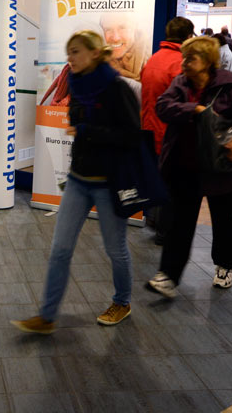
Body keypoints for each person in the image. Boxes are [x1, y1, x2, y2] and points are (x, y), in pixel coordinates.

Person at [11, 30, 140, 332]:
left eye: (76, 51)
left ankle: (122, 302)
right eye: (69, 52)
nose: (70, 58)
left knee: (115, 249)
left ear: (94, 53)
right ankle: (47, 316)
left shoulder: (117, 88)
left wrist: (86, 131)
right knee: (60, 249)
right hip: (79, 180)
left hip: (109, 183)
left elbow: (131, 135)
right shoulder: (77, 83)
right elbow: (77, 122)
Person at [146, 36, 232, 298]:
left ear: (207, 62)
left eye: (190, 58)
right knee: (180, 222)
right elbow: (163, 107)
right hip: (185, 168)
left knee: (223, 220)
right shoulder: (181, 83)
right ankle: (168, 275)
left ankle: (225, 266)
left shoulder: (230, 86)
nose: (184, 63)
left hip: (221, 169)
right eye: (184, 57)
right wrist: (194, 109)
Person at [140, 16, 194, 244]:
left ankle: (154, 220)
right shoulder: (181, 63)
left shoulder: (154, 58)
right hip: (168, 131)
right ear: (188, 36)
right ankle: (164, 232)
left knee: (156, 178)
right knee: (171, 184)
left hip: (148, 127)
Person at [100, 12, 150, 82]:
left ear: (135, 30)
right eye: (108, 29)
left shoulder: (152, 60)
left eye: (122, 28)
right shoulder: (96, 66)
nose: (116, 38)